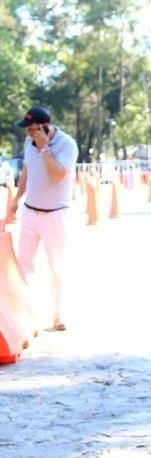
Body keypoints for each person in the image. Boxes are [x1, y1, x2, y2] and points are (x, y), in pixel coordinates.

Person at [8, 105, 78, 331]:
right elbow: (28, 170)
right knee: (24, 265)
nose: (29, 134)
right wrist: (17, 199)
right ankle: (25, 315)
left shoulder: (67, 145)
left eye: (33, 130)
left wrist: (45, 149)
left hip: (56, 214)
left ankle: (59, 316)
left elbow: (58, 176)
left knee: (57, 267)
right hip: (31, 212)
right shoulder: (30, 143)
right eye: (27, 130)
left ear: (45, 127)